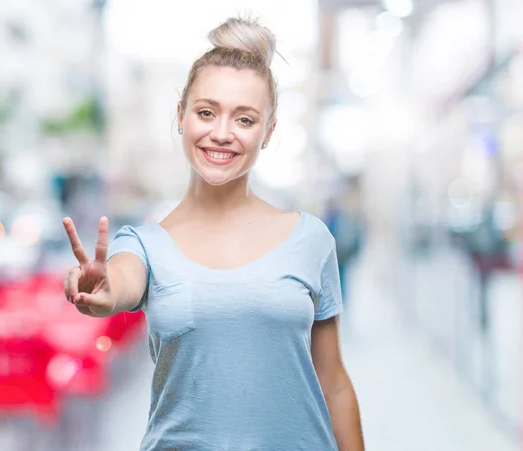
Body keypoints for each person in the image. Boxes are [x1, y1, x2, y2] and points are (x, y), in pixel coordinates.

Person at [62, 17, 364, 451]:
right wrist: (104, 289)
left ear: (268, 132)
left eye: (244, 119)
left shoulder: (310, 240)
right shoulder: (143, 244)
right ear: (181, 116)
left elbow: (334, 383)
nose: (221, 133)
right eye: (206, 112)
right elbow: (121, 282)